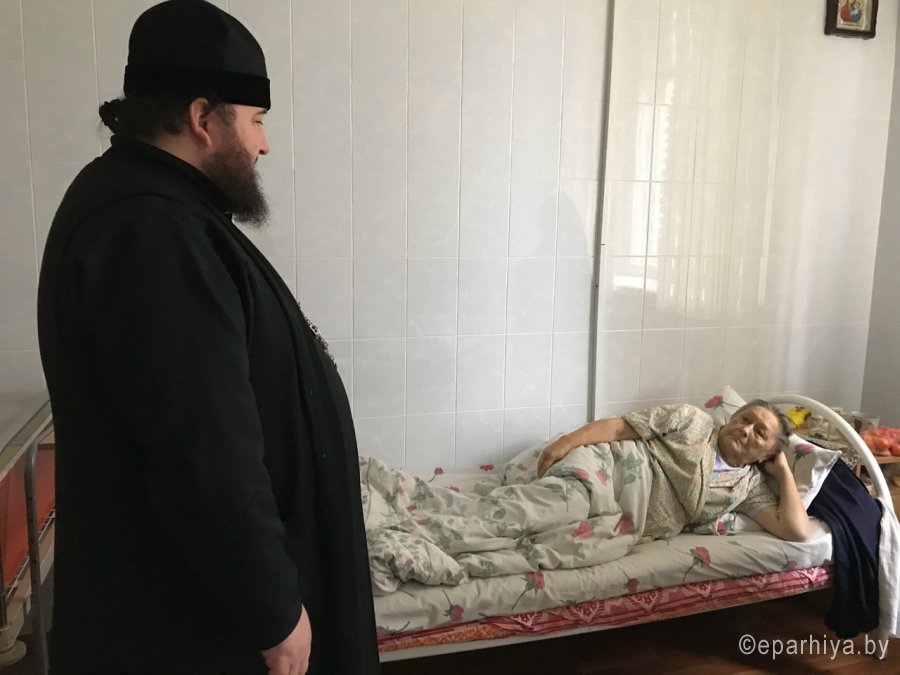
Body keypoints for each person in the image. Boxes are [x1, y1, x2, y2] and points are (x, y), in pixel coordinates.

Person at [36, 1, 378, 673]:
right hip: (195, 624)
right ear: (202, 117)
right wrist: (272, 609)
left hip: (197, 605)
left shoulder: (154, 209)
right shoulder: (151, 231)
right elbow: (202, 449)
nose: (263, 144)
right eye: (255, 120)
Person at [537, 400, 810, 542]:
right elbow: (621, 427)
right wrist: (566, 442)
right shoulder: (692, 420)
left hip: (626, 513)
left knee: (552, 532)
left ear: (766, 455)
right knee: (544, 507)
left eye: (760, 433)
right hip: (610, 467)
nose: (746, 429)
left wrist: (783, 472)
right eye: (745, 419)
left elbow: (797, 531)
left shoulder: (746, 488)